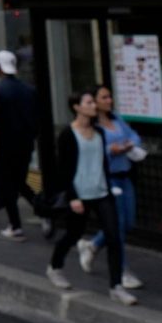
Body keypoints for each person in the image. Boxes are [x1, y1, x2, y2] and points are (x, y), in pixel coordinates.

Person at [46, 87, 135, 303]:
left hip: (102, 191)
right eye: (88, 103)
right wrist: (73, 196)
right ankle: (55, 266)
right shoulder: (68, 134)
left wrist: (108, 186)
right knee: (73, 234)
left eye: (93, 103)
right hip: (80, 193)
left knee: (114, 236)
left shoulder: (100, 133)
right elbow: (64, 169)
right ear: (76, 107)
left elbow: (103, 163)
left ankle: (116, 286)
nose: (93, 106)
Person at [79, 85, 147, 290]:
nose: (109, 101)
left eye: (110, 97)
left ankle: (93, 244)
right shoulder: (92, 127)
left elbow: (134, 135)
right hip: (108, 179)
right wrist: (112, 150)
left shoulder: (117, 119)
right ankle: (122, 271)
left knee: (128, 223)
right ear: (95, 102)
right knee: (118, 225)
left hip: (125, 176)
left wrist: (128, 144)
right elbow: (90, 151)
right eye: (104, 97)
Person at [0, 51, 41, 241]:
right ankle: (43, 209)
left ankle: (16, 225)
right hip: (25, 143)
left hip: (6, 145)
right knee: (19, 181)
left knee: (9, 185)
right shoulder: (29, 90)